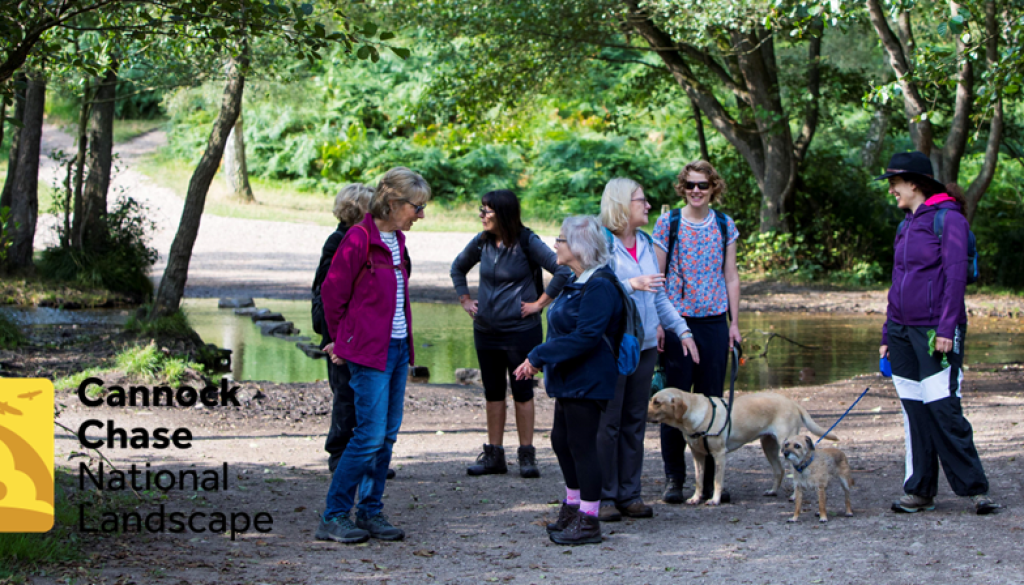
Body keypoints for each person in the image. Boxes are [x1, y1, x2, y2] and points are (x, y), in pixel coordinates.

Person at [876, 151, 998, 515]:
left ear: (915, 183)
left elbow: (956, 277)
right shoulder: (906, 224)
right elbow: (898, 281)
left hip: (935, 330)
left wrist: (946, 327)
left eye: (895, 183)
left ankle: (975, 490)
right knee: (915, 410)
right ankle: (920, 491)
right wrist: (887, 332)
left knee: (943, 407)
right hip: (900, 332)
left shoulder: (949, 220)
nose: (892, 190)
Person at [316, 167, 431, 544]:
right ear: (394, 203)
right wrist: (337, 340)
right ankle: (334, 516)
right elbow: (332, 295)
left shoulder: (398, 240)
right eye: (417, 207)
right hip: (368, 352)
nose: (421, 215)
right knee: (367, 436)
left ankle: (369, 512)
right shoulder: (358, 238)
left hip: (396, 348)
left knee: (386, 437)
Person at [513, 215, 623, 546]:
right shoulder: (578, 280)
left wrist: (537, 355)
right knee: (563, 442)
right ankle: (573, 508)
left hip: (588, 379)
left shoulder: (600, 284)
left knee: (581, 446)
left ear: (579, 246)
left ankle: (589, 520)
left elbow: (587, 336)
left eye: (560, 239)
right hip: (571, 378)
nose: (555, 245)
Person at [595, 178, 700, 521]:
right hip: (611, 347)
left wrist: (682, 330)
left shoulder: (647, 242)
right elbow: (590, 289)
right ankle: (605, 496)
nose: (648, 205)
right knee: (608, 423)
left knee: (635, 422)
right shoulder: (602, 244)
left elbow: (659, 295)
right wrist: (630, 284)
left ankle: (630, 494)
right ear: (623, 204)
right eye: (641, 200)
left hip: (646, 347)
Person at [451, 190, 572, 478]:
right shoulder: (482, 242)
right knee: (493, 392)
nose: (481, 215)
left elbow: (563, 271)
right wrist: (465, 299)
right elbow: (458, 268)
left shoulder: (527, 241)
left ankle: (527, 456)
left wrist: (539, 304)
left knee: (522, 392)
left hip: (521, 333)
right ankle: (494, 455)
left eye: (487, 211)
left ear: (503, 213)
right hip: (486, 332)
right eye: (481, 210)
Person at [653, 160, 741, 505]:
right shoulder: (668, 222)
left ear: (713, 187)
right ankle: (675, 478)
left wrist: (735, 324)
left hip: (714, 322)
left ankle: (709, 483)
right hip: (678, 322)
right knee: (671, 405)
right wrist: (659, 322)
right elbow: (656, 279)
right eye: (690, 185)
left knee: (712, 403)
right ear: (682, 187)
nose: (696, 191)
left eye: (703, 185)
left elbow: (731, 276)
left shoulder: (724, 223)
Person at [312, 183, 398, 479]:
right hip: (340, 335)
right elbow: (325, 292)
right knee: (346, 396)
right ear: (359, 209)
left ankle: (368, 457)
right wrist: (333, 338)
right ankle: (339, 456)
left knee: (369, 396)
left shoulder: (372, 238)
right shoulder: (340, 240)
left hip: (364, 333)